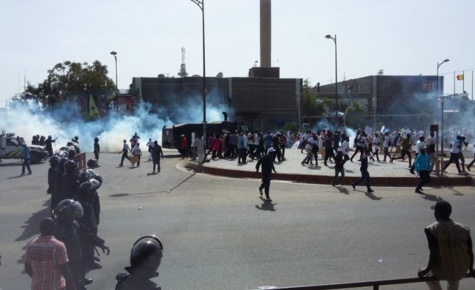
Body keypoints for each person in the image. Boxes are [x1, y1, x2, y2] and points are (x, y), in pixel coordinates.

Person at [418, 201, 475, 290]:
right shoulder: (464, 229)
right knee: (454, 275)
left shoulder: (432, 229)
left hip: (442, 270)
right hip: (461, 269)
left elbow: (434, 254)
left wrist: (426, 269)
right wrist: (471, 269)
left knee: (427, 274)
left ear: (437, 213)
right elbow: (470, 251)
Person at [24, 217, 76, 290]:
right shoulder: (58, 246)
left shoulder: (30, 245)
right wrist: (72, 286)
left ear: (40, 229)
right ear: (54, 228)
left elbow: (27, 267)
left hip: (36, 286)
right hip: (56, 286)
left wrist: (37, 278)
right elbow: (65, 269)